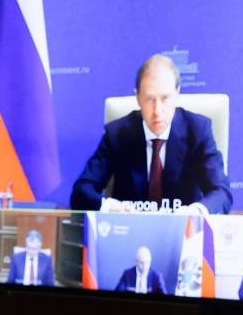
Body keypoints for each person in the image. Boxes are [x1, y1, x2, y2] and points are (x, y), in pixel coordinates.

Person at [70, 54, 231, 214]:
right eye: (149, 99)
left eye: (165, 98)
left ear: (177, 94)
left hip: (182, 234)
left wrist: (197, 211)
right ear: (137, 98)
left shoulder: (197, 130)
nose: (157, 111)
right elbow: (81, 191)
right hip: (129, 232)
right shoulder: (118, 134)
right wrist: (108, 207)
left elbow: (221, 193)